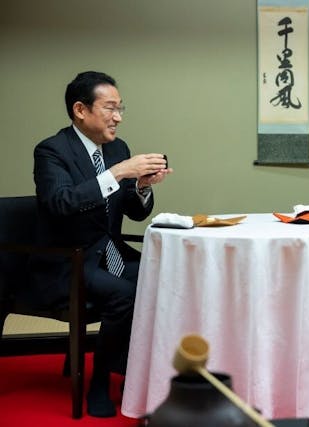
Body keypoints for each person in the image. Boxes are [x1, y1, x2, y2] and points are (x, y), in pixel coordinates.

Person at [28, 71, 172, 417]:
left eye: (121, 108)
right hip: (69, 259)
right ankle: (100, 380)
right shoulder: (52, 151)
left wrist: (142, 186)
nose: (118, 117)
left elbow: (134, 213)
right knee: (123, 294)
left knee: (160, 276)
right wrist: (118, 173)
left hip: (109, 252)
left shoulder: (117, 149)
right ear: (81, 109)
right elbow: (60, 203)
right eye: (110, 108)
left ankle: (131, 371)